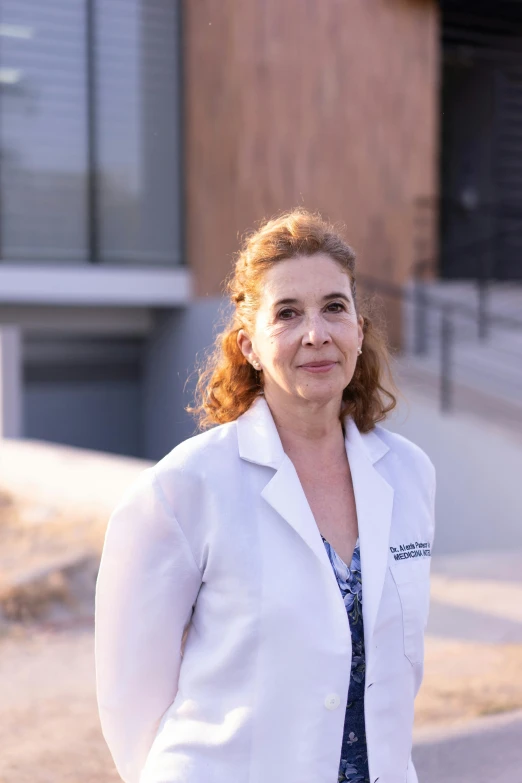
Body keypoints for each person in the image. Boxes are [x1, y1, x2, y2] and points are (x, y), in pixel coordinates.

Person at [95, 208, 436, 783]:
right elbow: (130, 703)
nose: (317, 334)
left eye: (334, 307)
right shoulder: (184, 488)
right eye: (287, 313)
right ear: (249, 345)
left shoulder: (409, 474)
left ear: (359, 328)